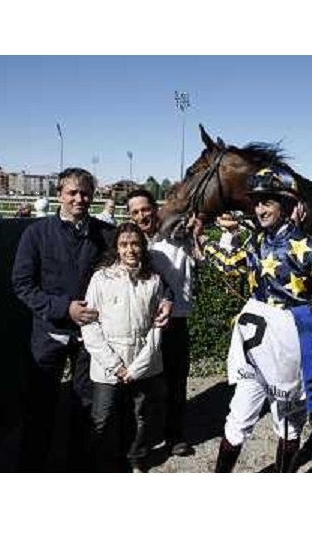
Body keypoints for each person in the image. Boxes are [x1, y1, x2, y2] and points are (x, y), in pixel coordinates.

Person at [194, 166, 312, 473]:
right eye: (258, 202)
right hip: (254, 351)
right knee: (238, 419)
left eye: (268, 202)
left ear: (287, 206)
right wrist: (204, 242)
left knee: (289, 427)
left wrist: (304, 324)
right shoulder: (254, 242)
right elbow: (229, 264)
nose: (260, 209)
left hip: (291, 353)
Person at [11, 167, 115, 471]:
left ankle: (77, 467)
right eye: (72, 192)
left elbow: (126, 275)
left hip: (90, 338)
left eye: (85, 193)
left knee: (84, 406)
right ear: (59, 195)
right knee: (40, 405)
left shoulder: (106, 235)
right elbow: (23, 285)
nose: (79, 199)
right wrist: (63, 309)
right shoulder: (36, 234)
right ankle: (31, 467)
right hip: (49, 335)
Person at [82, 222, 165, 472]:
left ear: (143, 246)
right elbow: (90, 325)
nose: (130, 250)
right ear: (116, 248)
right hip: (108, 365)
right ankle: (101, 464)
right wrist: (116, 366)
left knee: (141, 415)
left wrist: (137, 367)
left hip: (143, 364)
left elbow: (156, 327)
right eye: (124, 244)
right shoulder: (101, 278)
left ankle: (135, 457)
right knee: (102, 417)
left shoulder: (153, 280)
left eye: (135, 244)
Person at [126, 188, 193, 457]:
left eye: (145, 209)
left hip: (175, 322)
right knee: (144, 386)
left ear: (155, 209)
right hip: (142, 326)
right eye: (135, 212)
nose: (142, 215)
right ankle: (142, 437)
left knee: (176, 384)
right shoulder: (129, 243)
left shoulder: (179, 236)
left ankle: (175, 436)